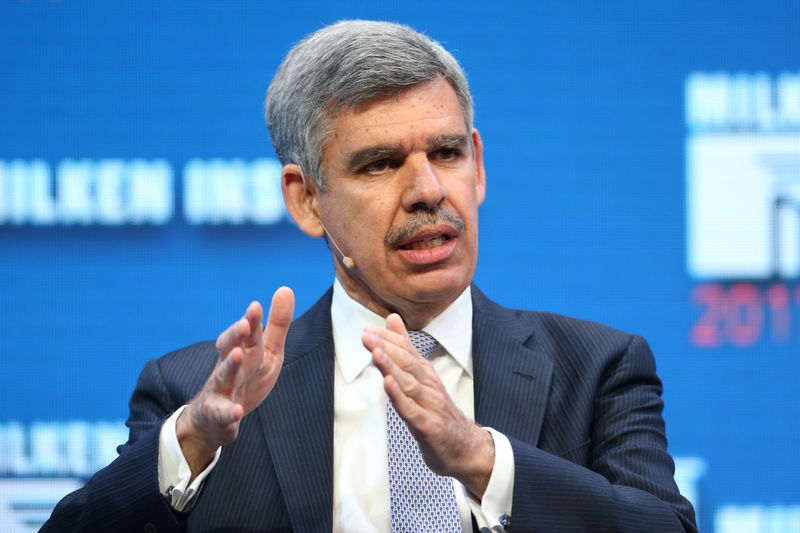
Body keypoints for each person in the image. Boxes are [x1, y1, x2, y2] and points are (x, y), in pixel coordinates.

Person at [43, 20, 697, 533]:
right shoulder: (194, 396)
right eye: (380, 164)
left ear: (480, 164)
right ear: (306, 200)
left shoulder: (597, 369)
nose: (428, 190)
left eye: (446, 152)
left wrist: (480, 459)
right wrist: (190, 442)